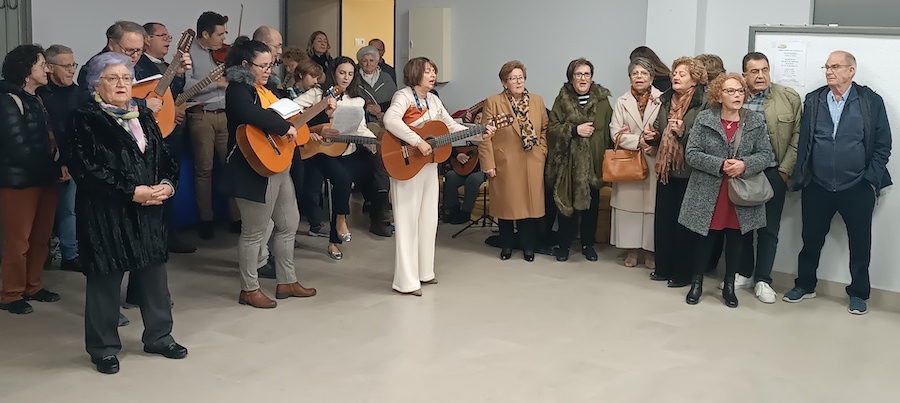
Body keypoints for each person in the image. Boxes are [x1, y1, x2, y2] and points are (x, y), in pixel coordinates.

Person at [69, 52, 187, 374]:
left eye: (126, 78)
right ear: (96, 84)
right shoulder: (84, 118)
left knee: (154, 279)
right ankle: (104, 348)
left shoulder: (144, 115)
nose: (122, 84)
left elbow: (165, 158)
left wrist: (167, 185)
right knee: (105, 283)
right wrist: (132, 191)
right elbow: (87, 169)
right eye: (113, 78)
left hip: (148, 212)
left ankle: (159, 337)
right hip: (105, 215)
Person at [784, 51, 892, 315]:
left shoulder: (870, 101)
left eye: (835, 66)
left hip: (857, 186)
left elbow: (883, 145)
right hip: (817, 186)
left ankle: (858, 293)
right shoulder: (814, 99)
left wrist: (871, 181)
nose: (829, 71)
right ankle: (805, 285)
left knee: (860, 244)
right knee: (810, 240)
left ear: (851, 71)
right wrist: (804, 176)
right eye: (827, 67)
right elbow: (805, 142)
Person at [383, 57, 494, 296]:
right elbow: (390, 120)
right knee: (407, 220)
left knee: (429, 218)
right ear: (415, 73)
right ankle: (405, 281)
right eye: (427, 71)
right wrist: (417, 141)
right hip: (406, 162)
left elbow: (452, 128)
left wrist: (479, 134)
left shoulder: (434, 100)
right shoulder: (403, 96)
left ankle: (424, 271)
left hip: (428, 165)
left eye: (434, 71)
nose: (433, 75)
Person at [223, 37, 319, 308]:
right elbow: (248, 113)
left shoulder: (268, 89)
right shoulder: (238, 89)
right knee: (254, 232)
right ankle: (249, 288)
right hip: (252, 167)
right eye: (262, 66)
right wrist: (282, 126)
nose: (268, 70)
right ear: (245, 65)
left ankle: (286, 280)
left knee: (289, 224)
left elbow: (286, 114)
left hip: (279, 163)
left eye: (270, 65)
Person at [679, 73, 775, 308]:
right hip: (708, 190)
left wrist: (744, 165)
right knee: (705, 239)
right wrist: (720, 165)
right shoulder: (705, 118)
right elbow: (691, 154)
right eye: (730, 91)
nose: (736, 95)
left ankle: (729, 286)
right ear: (719, 95)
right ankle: (697, 283)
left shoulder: (754, 120)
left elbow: (765, 154)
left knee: (736, 239)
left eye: (740, 91)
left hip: (741, 191)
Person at [727, 51, 802, 303]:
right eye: (754, 71)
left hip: (773, 173)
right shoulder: (736, 97)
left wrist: (784, 171)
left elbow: (798, 136)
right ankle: (745, 273)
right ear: (745, 74)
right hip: (741, 173)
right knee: (742, 227)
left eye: (765, 70)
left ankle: (763, 280)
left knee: (769, 229)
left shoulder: (788, 97)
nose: (760, 76)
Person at [294, 56, 378, 259]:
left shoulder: (357, 100)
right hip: (319, 151)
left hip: (345, 150)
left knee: (358, 171)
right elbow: (291, 112)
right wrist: (310, 131)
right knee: (341, 179)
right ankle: (341, 219)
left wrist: (372, 141)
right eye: (342, 73)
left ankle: (334, 241)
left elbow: (360, 127)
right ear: (333, 73)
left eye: (350, 74)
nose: (346, 78)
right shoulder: (317, 93)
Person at [0, 44, 62, 315]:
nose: (47, 69)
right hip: (19, 182)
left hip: (44, 178)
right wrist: (50, 167)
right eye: (41, 65)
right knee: (18, 241)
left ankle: (33, 286)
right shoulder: (7, 100)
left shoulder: (39, 98)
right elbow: (16, 147)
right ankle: (11, 294)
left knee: (41, 237)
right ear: (26, 71)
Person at [648, 56, 708, 287]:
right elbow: (658, 128)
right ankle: (663, 268)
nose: (675, 77)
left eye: (682, 74)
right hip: (666, 170)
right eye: (674, 73)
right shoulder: (665, 100)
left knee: (684, 226)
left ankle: (682, 274)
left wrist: (683, 132)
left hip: (690, 172)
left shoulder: (703, 102)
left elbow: (706, 140)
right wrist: (652, 136)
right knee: (663, 222)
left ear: (695, 79)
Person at [480, 60, 548, 261]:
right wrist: (488, 163)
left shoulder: (537, 100)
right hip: (505, 163)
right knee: (507, 207)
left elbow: (545, 128)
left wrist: (542, 151)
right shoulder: (493, 102)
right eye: (513, 78)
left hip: (532, 161)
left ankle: (528, 248)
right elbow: (484, 135)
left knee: (529, 207)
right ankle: (507, 246)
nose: (518, 82)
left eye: (521, 77)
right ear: (504, 82)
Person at [138, 21, 196, 255]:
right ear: (147, 40)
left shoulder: (166, 65)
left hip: (171, 133)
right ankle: (151, 238)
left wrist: (177, 106)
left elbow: (175, 94)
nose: (168, 41)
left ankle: (168, 235)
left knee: (169, 184)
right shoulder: (138, 65)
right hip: (149, 134)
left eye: (169, 37)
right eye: (162, 36)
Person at [547, 58, 612, 262]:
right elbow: (552, 129)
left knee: (591, 207)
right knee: (566, 205)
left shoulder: (602, 101)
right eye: (578, 74)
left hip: (593, 162)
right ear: (571, 78)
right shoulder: (562, 99)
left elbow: (610, 130)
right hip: (568, 164)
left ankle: (588, 245)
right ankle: (564, 245)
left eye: (586, 74)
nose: (583, 78)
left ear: (591, 77)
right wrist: (574, 130)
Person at [185, 11, 241, 239]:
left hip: (226, 115)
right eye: (219, 34)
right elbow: (186, 86)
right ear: (206, 34)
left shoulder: (226, 53)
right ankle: (205, 219)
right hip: (202, 115)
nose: (223, 39)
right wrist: (215, 83)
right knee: (204, 169)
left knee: (231, 165)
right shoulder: (187, 53)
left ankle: (236, 218)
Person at [609, 57, 663, 269]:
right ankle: (631, 249)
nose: (639, 77)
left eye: (644, 73)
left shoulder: (662, 99)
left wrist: (654, 142)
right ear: (630, 77)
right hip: (629, 161)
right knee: (628, 206)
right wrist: (638, 140)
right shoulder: (621, 101)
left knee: (652, 208)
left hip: (653, 158)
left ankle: (650, 251)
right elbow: (615, 132)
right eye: (635, 73)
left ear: (652, 77)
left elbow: (665, 128)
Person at [40, 45, 81, 272]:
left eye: (73, 65)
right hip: (43, 162)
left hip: (70, 161)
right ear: (50, 67)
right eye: (66, 66)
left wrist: (68, 160)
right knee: (42, 212)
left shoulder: (79, 93)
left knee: (68, 210)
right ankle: (42, 257)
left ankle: (70, 255)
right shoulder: (39, 95)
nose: (71, 70)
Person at [443, 108, 486, 225]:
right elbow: (451, 147)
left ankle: (465, 213)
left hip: (482, 170)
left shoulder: (489, 135)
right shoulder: (465, 132)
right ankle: (453, 210)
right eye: (477, 118)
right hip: (465, 169)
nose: (479, 122)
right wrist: (458, 155)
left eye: (482, 119)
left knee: (473, 179)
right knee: (451, 176)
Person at [356, 45, 397, 124]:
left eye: (371, 60)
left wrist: (381, 108)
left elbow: (395, 100)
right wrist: (367, 108)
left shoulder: (386, 77)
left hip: (385, 119)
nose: (368, 64)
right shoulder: (355, 79)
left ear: (377, 62)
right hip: (362, 121)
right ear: (360, 63)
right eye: (365, 61)